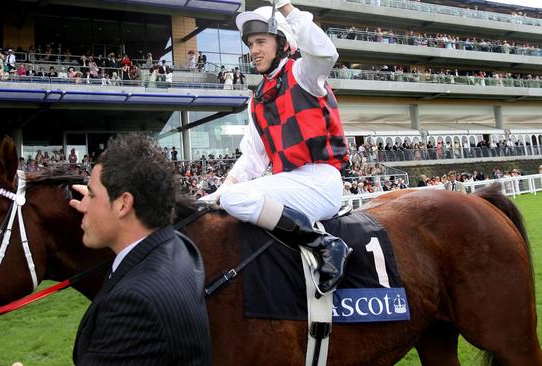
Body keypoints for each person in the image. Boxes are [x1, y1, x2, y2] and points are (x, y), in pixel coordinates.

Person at [200, 0, 350, 293]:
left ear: (282, 43)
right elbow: (251, 161)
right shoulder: (256, 99)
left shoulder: (302, 73)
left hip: (321, 180)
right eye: (250, 44)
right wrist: (215, 194)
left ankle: (327, 246)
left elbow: (326, 53)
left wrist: (285, 7)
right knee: (226, 200)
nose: (254, 50)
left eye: (261, 42)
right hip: (290, 182)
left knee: (235, 200)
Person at [69, 133, 211, 365]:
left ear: (124, 204)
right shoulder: (179, 245)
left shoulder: (134, 305)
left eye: (91, 195)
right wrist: (102, 206)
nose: (83, 205)